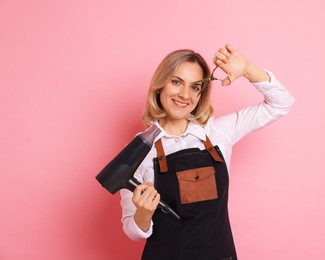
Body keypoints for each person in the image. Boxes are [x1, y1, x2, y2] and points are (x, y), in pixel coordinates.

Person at [119, 44, 295, 259]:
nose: (185, 95)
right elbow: (132, 230)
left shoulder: (218, 133)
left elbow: (281, 104)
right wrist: (144, 214)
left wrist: (248, 69)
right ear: (160, 85)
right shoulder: (139, 150)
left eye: (195, 87)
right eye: (176, 82)